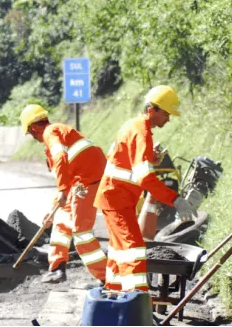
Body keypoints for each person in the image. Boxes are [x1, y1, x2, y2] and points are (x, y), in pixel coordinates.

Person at [94, 85, 196, 295]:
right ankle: (138, 304)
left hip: (116, 198)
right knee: (133, 250)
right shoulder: (141, 132)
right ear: (152, 110)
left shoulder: (135, 126)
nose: (168, 119)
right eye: (166, 114)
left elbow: (127, 161)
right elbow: (145, 177)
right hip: (116, 199)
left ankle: (113, 294)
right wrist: (175, 199)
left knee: (118, 251)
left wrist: (151, 158)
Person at [20, 104, 107, 284]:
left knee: (81, 233)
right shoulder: (59, 133)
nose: (34, 137)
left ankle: (107, 278)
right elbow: (65, 177)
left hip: (88, 182)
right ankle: (57, 269)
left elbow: (60, 159)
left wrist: (61, 191)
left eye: (31, 133)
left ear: (34, 127)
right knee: (60, 220)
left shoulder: (51, 132)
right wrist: (53, 208)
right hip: (79, 183)